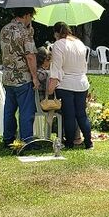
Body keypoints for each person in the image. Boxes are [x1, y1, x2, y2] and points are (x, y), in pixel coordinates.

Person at [46, 22, 92, 150]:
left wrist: (50, 88)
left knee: (69, 115)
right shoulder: (79, 43)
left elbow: (56, 67)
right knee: (81, 114)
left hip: (66, 83)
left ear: (56, 33)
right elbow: (84, 65)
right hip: (81, 82)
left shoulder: (58, 45)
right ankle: (88, 142)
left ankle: (70, 142)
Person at [0, 7, 40, 148]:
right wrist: (34, 77)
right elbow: (30, 55)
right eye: (31, 17)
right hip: (22, 77)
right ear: (27, 15)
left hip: (7, 76)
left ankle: (8, 138)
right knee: (26, 110)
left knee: (9, 110)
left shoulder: (5, 29)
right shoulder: (24, 32)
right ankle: (27, 140)